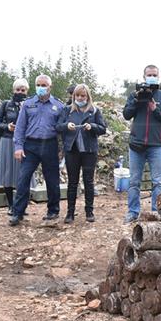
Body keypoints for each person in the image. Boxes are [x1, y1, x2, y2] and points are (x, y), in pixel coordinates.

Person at [9, 74, 64, 226]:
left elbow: (62, 130)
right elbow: (20, 127)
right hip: (30, 146)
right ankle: (17, 213)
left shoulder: (58, 106)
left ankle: (53, 211)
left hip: (50, 145)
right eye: (38, 85)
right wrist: (18, 147)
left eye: (44, 85)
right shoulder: (27, 104)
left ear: (50, 87)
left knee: (52, 180)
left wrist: (62, 150)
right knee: (23, 179)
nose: (41, 88)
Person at [122, 65, 161, 223]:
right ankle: (132, 212)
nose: (152, 77)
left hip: (156, 145)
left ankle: (156, 211)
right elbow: (126, 114)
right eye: (149, 75)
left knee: (158, 181)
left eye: (154, 75)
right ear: (144, 76)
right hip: (136, 145)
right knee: (134, 181)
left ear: (158, 76)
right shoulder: (134, 95)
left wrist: (154, 109)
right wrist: (136, 102)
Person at [56, 83, 106, 223]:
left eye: (83, 95)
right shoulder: (67, 110)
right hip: (72, 150)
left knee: (88, 181)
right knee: (72, 182)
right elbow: (58, 127)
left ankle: (89, 211)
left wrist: (93, 126)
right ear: (74, 96)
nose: (80, 97)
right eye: (77, 95)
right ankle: (70, 213)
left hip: (89, 150)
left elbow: (103, 128)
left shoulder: (95, 111)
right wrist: (67, 126)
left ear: (87, 96)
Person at [0, 78, 27, 213]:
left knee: (22, 174)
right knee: (7, 174)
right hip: (7, 140)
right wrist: (7, 126)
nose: (20, 92)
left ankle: (21, 206)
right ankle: (11, 205)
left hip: (23, 143)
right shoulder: (6, 104)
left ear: (27, 91)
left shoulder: (30, 104)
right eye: (18, 89)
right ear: (13, 90)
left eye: (23, 90)